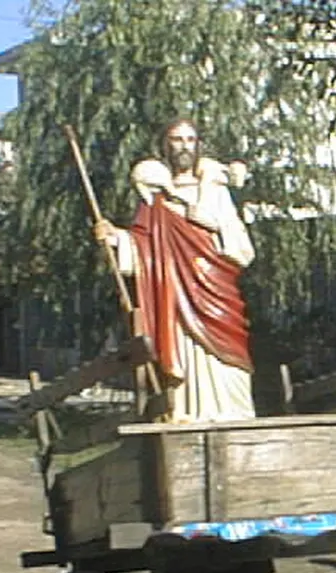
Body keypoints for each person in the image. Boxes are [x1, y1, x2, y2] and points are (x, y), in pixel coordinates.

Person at [96, 119, 257, 422]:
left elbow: (240, 246)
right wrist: (116, 238)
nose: (184, 146)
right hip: (177, 295)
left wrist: (209, 222)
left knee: (229, 356)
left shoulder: (216, 190)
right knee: (185, 351)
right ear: (165, 146)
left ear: (199, 146)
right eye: (177, 139)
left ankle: (233, 416)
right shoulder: (155, 200)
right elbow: (144, 245)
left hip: (216, 287)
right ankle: (187, 413)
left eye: (190, 140)